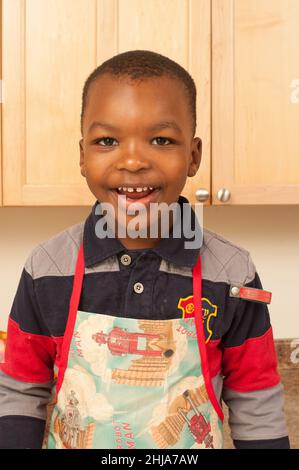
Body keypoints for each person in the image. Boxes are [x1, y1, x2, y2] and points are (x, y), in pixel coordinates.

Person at [0, 50, 290, 449]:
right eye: (107, 140)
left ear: (193, 156)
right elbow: (20, 391)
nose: (133, 161)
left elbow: (254, 397)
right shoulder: (47, 267)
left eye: (161, 140)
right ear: (82, 156)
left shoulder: (232, 271)